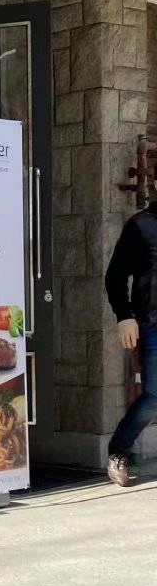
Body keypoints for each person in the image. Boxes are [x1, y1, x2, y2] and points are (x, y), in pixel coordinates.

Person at [104, 198, 157, 487]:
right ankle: (119, 450)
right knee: (154, 395)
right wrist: (124, 315)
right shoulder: (141, 225)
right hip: (152, 322)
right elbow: (115, 275)